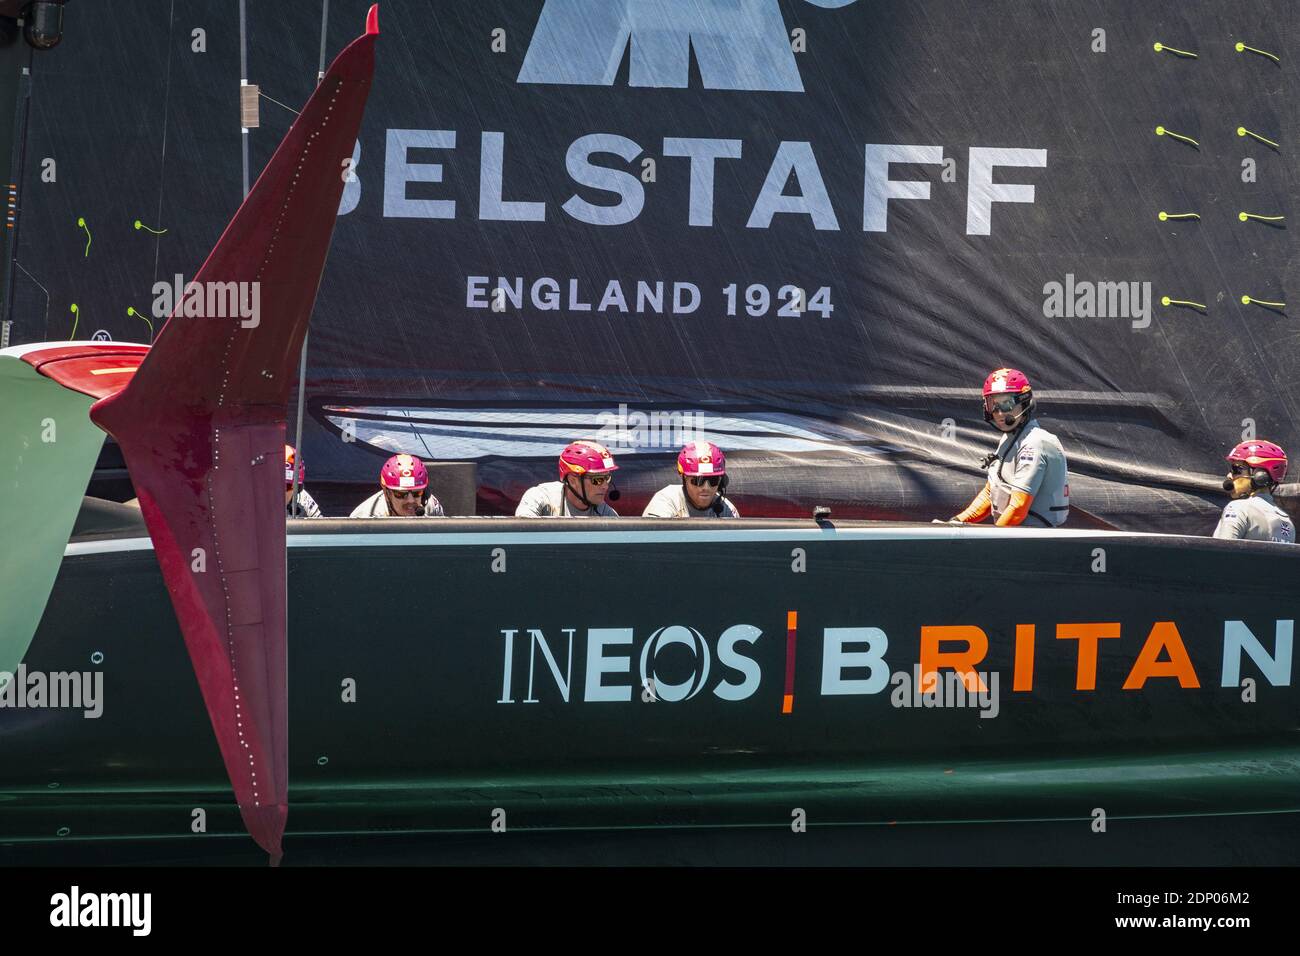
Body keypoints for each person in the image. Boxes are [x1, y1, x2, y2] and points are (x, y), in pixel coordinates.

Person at [949, 368, 1070, 527]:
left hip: (1034, 540)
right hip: (1012, 535)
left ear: (1025, 402)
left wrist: (992, 540)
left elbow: (1018, 508)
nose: (998, 413)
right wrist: (955, 522)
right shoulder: (1010, 438)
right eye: (993, 404)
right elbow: (990, 493)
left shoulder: (1034, 442)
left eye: (1006, 404)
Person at [1213, 440, 1294, 543]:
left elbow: (1221, 554)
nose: (1229, 475)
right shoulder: (1287, 523)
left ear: (1260, 475)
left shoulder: (1238, 508)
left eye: (1236, 469)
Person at [516, 440, 620, 517]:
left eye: (607, 478)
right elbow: (521, 533)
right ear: (572, 480)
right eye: (598, 479)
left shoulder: (607, 514)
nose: (605, 486)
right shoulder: (540, 497)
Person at [643, 440, 739, 518]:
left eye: (713, 480)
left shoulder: (727, 510)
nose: (706, 487)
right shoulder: (665, 501)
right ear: (684, 478)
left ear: (721, 482)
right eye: (698, 480)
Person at [350, 453, 446, 518]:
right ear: (387, 493)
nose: (410, 500)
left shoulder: (431, 506)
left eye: (417, 493)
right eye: (400, 494)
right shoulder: (364, 519)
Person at [285, 444, 322, 517]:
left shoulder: (303, 499)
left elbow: (323, 527)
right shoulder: (257, 500)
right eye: (274, 485)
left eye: (287, 486)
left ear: (298, 487)